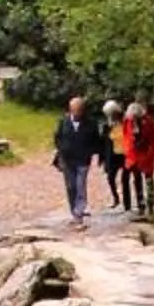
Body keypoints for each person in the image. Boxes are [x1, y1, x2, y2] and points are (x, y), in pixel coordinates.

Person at [52, 93, 103, 226]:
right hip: (67, 159)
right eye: (73, 110)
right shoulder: (63, 121)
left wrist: (90, 152)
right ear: (70, 109)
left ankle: (79, 212)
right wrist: (61, 149)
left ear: (82, 110)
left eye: (79, 110)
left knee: (80, 185)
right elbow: (57, 137)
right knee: (70, 186)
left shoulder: (91, 123)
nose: (76, 112)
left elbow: (96, 140)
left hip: (83, 160)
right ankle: (73, 210)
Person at [121, 97, 154, 214]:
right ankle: (141, 204)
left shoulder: (147, 121)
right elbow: (126, 137)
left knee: (148, 179)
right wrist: (128, 153)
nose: (132, 119)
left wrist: (150, 152)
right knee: (136, 179)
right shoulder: (127, 122)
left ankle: (151, 204)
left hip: (146, 154)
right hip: (134, 155)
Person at [96, 98, 127, 210]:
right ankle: (116, 198)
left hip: (123, 154)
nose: (110, 116)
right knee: (110, 178)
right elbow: (102, 142)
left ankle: (127, 203)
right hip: (111, 156)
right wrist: (101, 158)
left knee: (125, 179)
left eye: (112, 113)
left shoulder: (124, 122)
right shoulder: (106, 125)